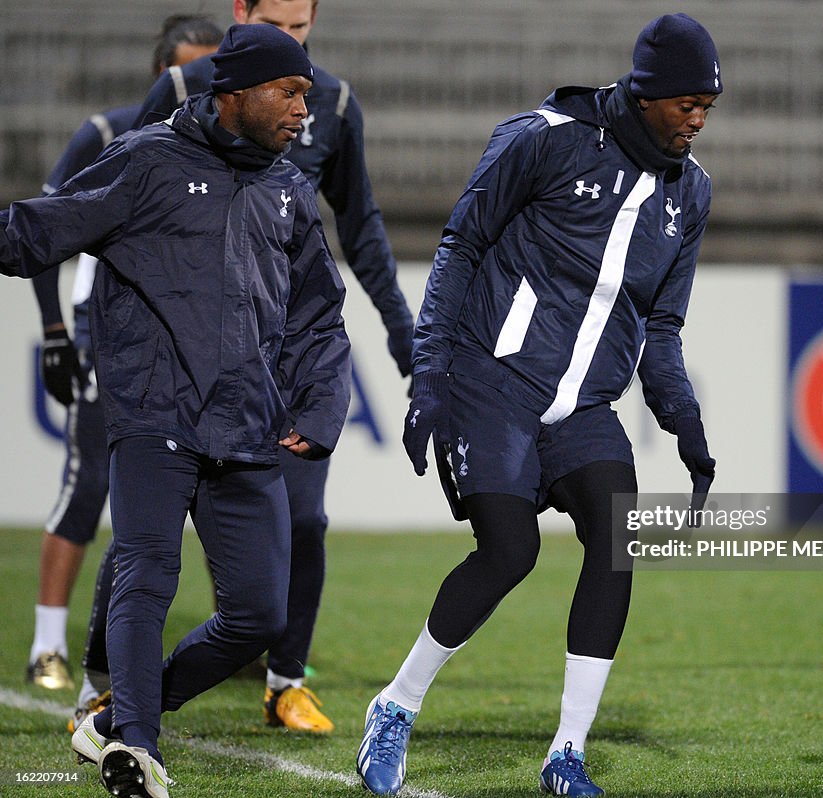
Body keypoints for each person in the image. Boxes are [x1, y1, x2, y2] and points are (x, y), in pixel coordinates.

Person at [356, 13, 721, 797]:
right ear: (649, 93)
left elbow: (662, 326)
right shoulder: (545, 136)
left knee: (616, 536)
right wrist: (431, 376)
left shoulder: (691, 193)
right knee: (510, 551)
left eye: (708, 107)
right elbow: (461, 243)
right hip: (494, 381)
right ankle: (394, 706)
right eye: (687, 103)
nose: (697, 118)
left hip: (586, 406)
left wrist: (684, 421)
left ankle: (566, 754)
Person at [2, 24, 351, 798]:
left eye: (307, 95)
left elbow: (319, 317)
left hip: (248, 424)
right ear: (235, 94)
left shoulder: (290, 190)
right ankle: (136, 748)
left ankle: (117, 717)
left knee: (259, 617)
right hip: (153, 412)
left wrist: (322, 407)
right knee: (145, 575)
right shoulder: (147, 159)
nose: (305, 109)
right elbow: (38, 229)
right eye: (290, 92)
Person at [63, 0, 414, 735]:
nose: (300, 94)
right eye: (277, 31)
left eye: (302, 29)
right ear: (242, 19)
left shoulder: (317, 135)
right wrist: (77, 330)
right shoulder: (176, 109)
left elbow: (350, 252)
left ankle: (275, 682)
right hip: (163, 383)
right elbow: (90, 210)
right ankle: (120, 706)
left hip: (263, 386)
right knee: (144, 558)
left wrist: (388, 341)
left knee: (290, 549)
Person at [25, 15, 224, 699]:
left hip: (189, 343)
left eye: (214, 70)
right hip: (106, 332)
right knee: (88, 487)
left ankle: (245, 638)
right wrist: (55, 333)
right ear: (160, 74)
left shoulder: (229, 149)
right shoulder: (110, 136)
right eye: (190, 71)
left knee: (200, 494)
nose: (203, 85)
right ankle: (47, 645)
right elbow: (44, 229)